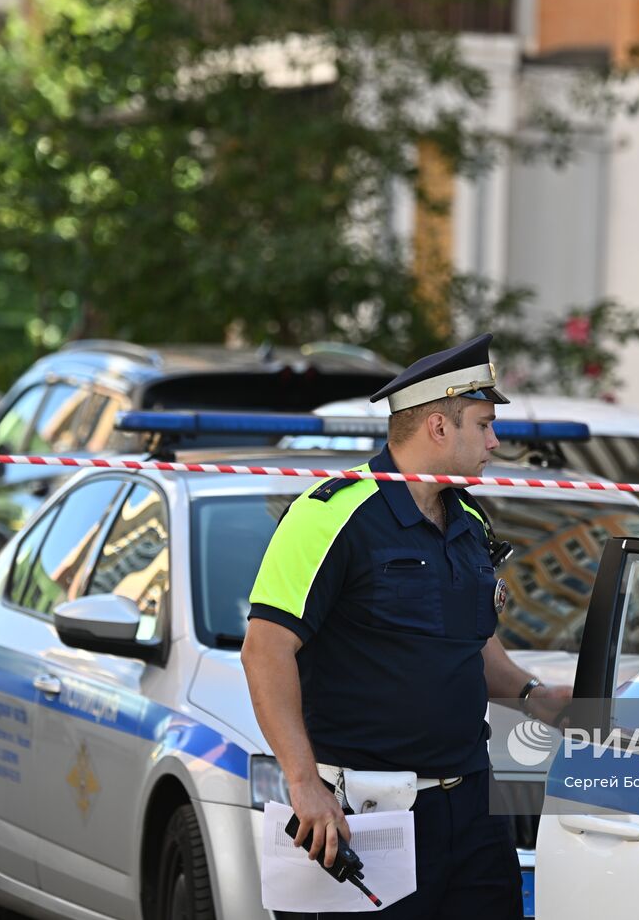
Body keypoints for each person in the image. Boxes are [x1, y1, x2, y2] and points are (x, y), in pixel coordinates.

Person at [241, 333, 569, 919]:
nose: (496, 441)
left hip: (471, 808)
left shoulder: (467, 517)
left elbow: (469, 640)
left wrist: (531, 694)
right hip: (369, 815)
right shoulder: (331, 514)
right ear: (439, 428)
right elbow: (264, 651)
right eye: (485, 424)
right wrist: (303, 784)